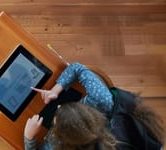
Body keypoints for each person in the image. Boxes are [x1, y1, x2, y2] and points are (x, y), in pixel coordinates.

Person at [23, 62, 164, 150]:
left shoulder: (53, 145)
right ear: (85, 110)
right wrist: (55, 90)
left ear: (62, 138)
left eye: (56, 122)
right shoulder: (102, 101)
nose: (58, 107)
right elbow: (78, 68)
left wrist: (29, 137)